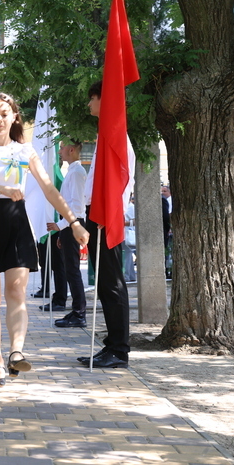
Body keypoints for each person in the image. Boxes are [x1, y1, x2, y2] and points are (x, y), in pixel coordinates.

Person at [0, 93, 90, 386]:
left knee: (17, 291)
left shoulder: (26, 151)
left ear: (15, 117)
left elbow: (50, 191)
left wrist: (74, 222)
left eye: (5, 114)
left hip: (17, 224)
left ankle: (16, 352)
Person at [77, 81, 131, 369]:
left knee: (112, 284)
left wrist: (104, 215)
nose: (89, 104)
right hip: (95, 215)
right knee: (104, 283)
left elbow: (121, 183)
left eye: (92, 98)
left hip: (106, 217)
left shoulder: (117, 139)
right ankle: (111, 345)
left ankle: (120, 350)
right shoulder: (104, 137)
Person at [48, 141, 88, 327]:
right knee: (70, 270)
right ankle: (76, 311)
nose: (59, 151)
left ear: (72, 150)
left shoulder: (77, 173)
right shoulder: (72, 172)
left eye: (62, 147)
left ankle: (80, 314)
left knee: (72, 270)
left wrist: (63, 225)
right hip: (69, 226)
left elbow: (77, 207)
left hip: (74, 224)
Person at [122, 193, 136, 283]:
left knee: (127, 255)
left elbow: (134, 221)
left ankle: (127, 275)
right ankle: (130, 275)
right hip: (124, 232)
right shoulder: (128, 206)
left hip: (126, 232)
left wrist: (123, 223)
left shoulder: (130, 207)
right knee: (127, 255)